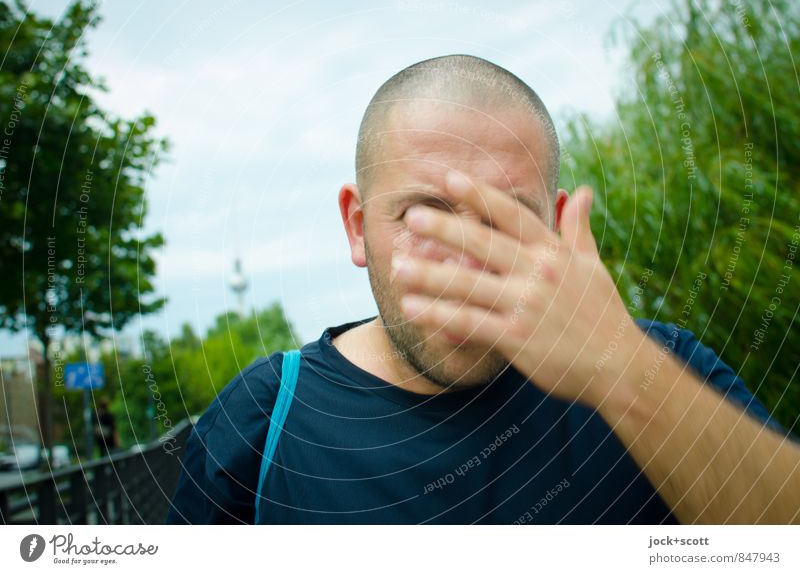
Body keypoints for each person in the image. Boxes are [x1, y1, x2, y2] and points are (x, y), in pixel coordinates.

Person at [167, 54, 798, 525]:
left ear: (555, 226)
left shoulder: (661, 373)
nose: (467, 261)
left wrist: (620, 371)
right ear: (357, 228)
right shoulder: (261, 426)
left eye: (503, 219)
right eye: (424, 216)